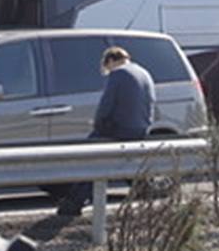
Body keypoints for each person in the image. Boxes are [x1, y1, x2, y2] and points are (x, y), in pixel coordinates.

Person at [57, 46, 155, 217]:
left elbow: (106, 106)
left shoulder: (118, 74)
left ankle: (73, 203)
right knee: (128, 164)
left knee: (91, 158)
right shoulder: (144, 73)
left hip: (119, 129)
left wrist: (98, 125)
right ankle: (146, 195)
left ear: (110, 60)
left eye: (106, 66)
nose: (107, 70)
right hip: (140, 129)